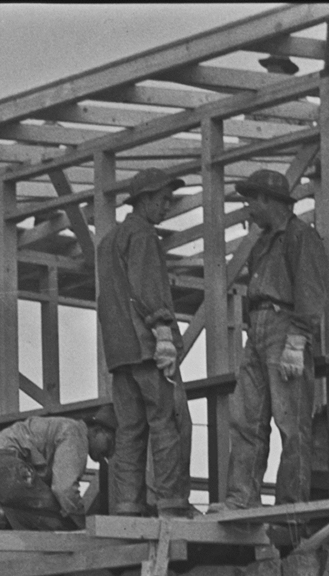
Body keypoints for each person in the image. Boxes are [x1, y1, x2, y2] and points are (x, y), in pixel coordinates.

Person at [210, 168, 329, 513]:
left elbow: (310, 289)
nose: (248, 208)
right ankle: (242, 498)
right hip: (259, 327)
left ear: (267, 200)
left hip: (283, 326)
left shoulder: (301, 237)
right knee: (246, 418)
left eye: (251, 200)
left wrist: (298, 339)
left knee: (291, 423)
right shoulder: (262, 243)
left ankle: (291, 506)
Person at [95, 170, 194, 517]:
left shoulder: (108, 241)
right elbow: (149, 288)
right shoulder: (144, 236)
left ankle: (127, 504)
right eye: (162, 199)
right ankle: (170, 501)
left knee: (129, 430)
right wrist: (164, 332)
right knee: (166, 422)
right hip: (147, 347)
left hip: (120, 354)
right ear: (145, 199)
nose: (167, 206)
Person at [0, 407, 117, 534]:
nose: (110, 453)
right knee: (63, 525)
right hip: (4, 470)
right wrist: (84, 525)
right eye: (110, 442)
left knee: (23, 522)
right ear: (97, 431)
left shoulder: (58, 427)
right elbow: (65, 490)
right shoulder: (76, 433)